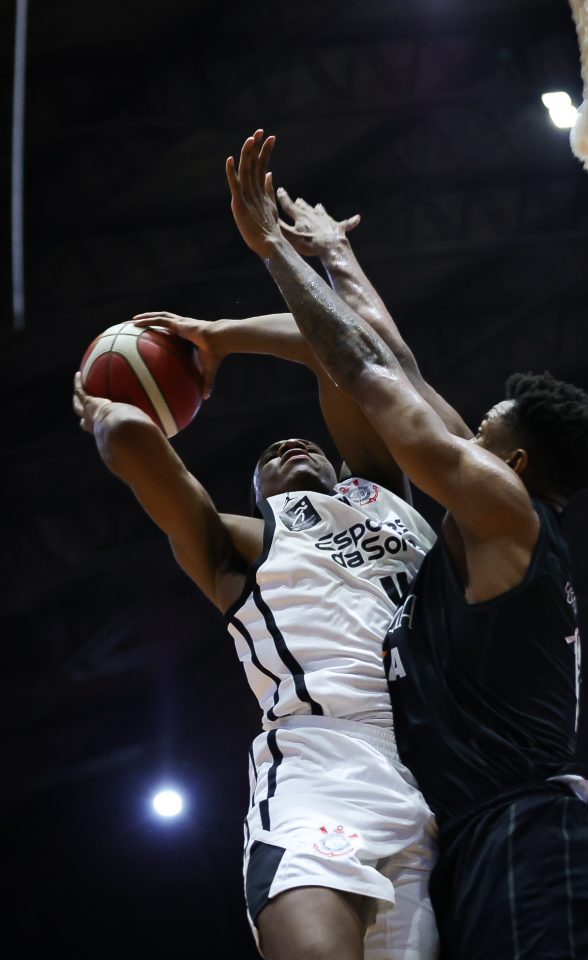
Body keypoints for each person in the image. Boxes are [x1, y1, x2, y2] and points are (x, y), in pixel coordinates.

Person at [224, 127, 588, 959]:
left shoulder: (506, 515)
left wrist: (273, 253)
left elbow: (369, 375)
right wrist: (337, 255)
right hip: (465, 836)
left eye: (481, 434)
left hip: (526, 828)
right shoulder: (496, 512)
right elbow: (394, 360)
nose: (463, 433)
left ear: (511, 466)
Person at [73, 300, 444, 956]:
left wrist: (223, 336)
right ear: (260, 497)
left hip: (439, 776)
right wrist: (108, 408)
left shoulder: (382, 494)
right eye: (270, 455)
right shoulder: (242, 543)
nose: (290, 443)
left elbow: (336, 345)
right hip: (322, 764)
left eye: (305, 443)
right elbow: (131, 440)